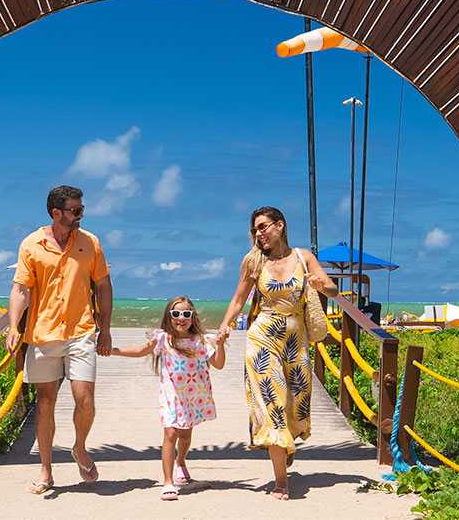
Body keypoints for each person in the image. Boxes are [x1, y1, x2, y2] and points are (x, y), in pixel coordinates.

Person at [218, 206, 337, 501]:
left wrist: (325, 286)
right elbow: (238, 299)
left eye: (263, 227)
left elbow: (332, 290)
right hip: (263, 338)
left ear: (280, 225)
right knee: (273, 405)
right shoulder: (253, 262)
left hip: (296, 340)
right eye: (255, 229)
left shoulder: (303, 257)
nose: (259, 233)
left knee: (296, 404)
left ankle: (285, 447)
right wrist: (224, 326)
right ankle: (281, 482)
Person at [6, 185, 113, 494]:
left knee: (85, 399)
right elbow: (21, 289)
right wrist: (13, 326)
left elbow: (103, 286)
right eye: (75, 210)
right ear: (56, 213)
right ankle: (46, 471)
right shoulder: (31, 244)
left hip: (81, 331)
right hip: (43, 334)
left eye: (81, 209)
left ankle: (79, 447)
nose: (81, 215)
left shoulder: (90, 242)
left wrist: (104, 328)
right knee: (45, 403)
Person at [111, 296, 227, 502]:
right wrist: (113, 351)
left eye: (185, 314)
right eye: (176, 314)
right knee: (170, 433)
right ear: (169, 317)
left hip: (193, 396)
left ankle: (180, 461)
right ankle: (168, 482)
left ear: (192, 317)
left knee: (185, 435)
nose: (180, 318)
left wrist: (221, 345)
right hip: (171, 395)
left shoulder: (200, 340)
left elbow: (218, 364)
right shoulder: (163, 339)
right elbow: (140, 351)